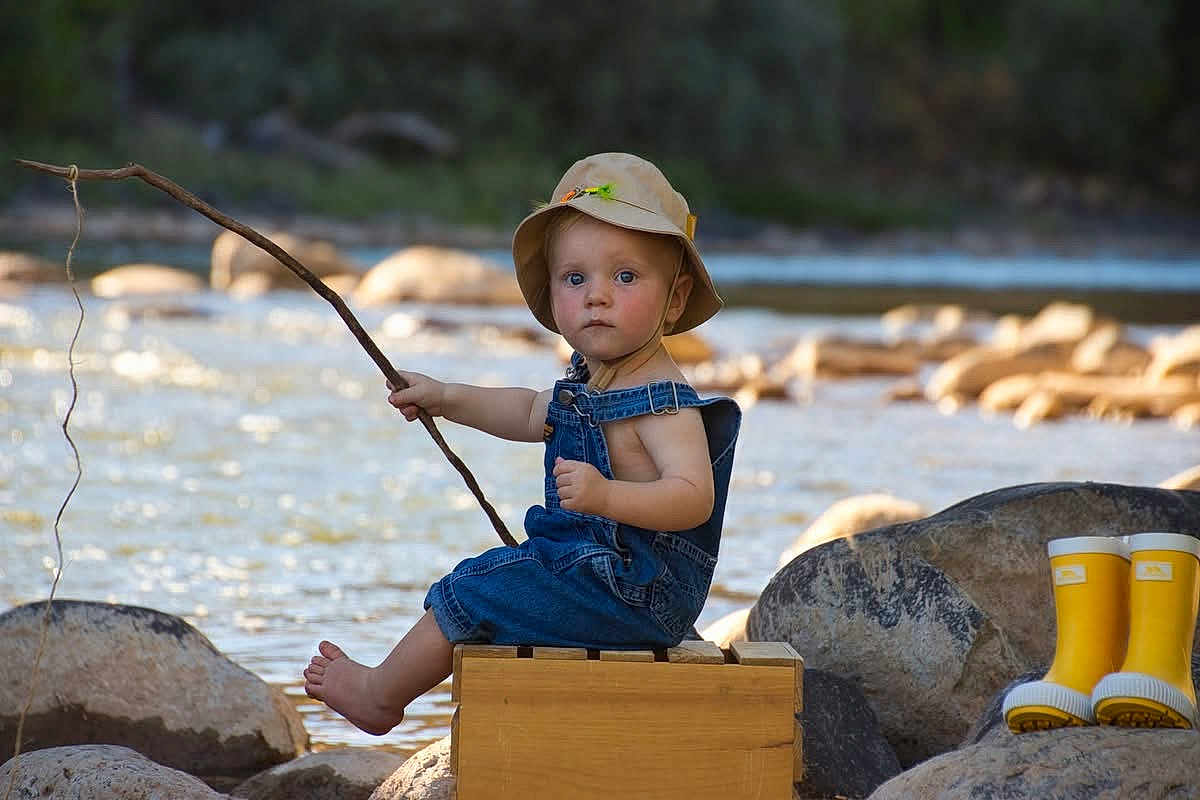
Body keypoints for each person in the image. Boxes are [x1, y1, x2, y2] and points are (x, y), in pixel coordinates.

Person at [303, 152, 741, 735]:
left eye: (626, 276)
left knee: (475, 589)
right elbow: (529, 410)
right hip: (593, 576)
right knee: (496, 581)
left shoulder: (661, 399)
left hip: (634, 592)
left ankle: (382, 694)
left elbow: (692, 497)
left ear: (676, 298)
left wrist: (606, 496)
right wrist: (444, 397)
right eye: (575, 277)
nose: (597, 295)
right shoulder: (588, 379)